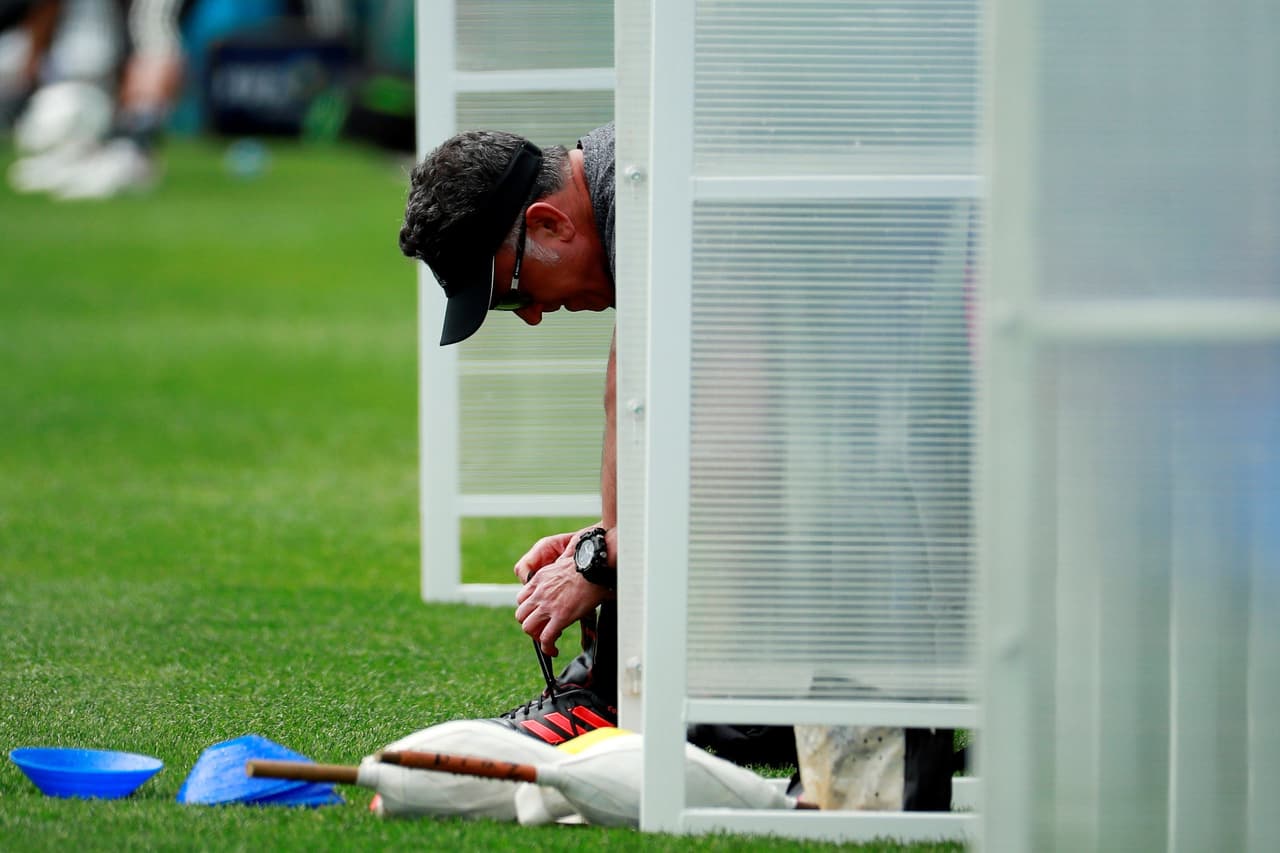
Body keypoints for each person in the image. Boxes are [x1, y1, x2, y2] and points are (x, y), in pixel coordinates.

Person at [399, 124, 801, 764]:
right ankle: (625, 693)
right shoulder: (632, 190)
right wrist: (610, 541)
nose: (530, 315)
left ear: (550, 224)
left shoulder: (656, 199)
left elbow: (735, 441)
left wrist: (609, 558)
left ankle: (737, 713)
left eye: (514, 292)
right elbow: (645, 402)